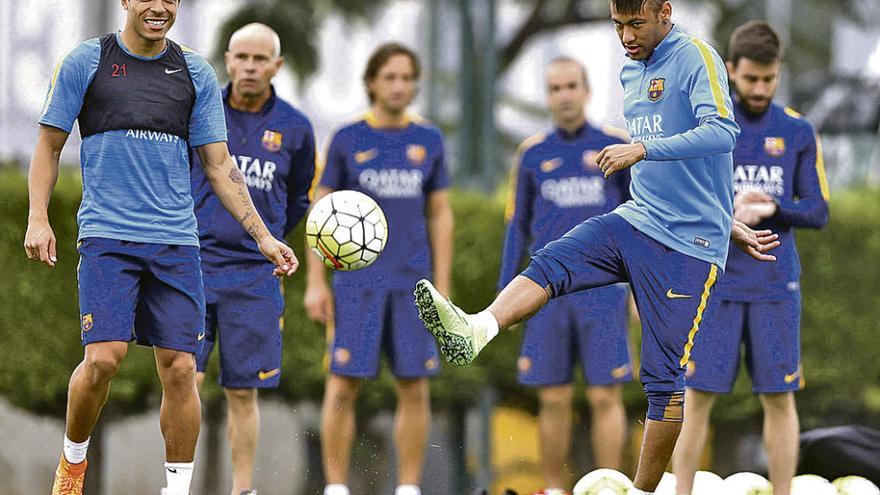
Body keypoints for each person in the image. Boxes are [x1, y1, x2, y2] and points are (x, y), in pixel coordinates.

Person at [412, 1, 780, 493]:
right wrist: (722, 213)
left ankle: (642, 491)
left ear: (665, 12)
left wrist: (646, 154)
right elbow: (683, 175)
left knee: (662, 380)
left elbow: (721, 132)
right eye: (618, 25)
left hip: (689, 248)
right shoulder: (633, 70)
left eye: (636, 24)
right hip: (638, 219)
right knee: (554, 259)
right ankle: (478, 327)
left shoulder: (697, 56)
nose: (626, 36)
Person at [25, 2, 297, 494]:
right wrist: (38, 218)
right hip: (108, 237)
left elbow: (220, 166)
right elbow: (48, 146)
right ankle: (73, 462)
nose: (159, 7)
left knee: (182, 368)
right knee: (104, 359)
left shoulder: (195, 72)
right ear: (126, 0)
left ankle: (177, 490)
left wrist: (263, 236)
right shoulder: (86, 62)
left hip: (175, 242)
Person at [672, 21, 829, 495]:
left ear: (777, 73)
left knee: (779, 398)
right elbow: (679, 206)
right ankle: (679, 491)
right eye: (750, 79)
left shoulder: (798, 130)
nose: (760, 88)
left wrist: (775, 209)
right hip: (715, 286)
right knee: (696, 397)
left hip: (774, 288)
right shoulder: (708, 128)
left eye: (769, 78)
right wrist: (726, 213)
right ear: (732, 72)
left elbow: (818, 210)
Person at [303, 42, 454, 495]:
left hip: (413, 284)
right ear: (371, 82)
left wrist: (441, 285)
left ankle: (408, 487)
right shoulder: (349, 138)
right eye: (390, 76)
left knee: (414, 385)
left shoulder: (428, 140)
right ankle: (335, 487)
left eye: (407, 78)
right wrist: (315, 282)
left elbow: (440, 214)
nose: (399, 86)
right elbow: (321, 209)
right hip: (356, 285)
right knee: (343, 384)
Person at [190, 23, 316, 495]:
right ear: (227, 59)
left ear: (276, 66)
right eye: (241, 57)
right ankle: (176, 483)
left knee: (243, 390)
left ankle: (242, 489)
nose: (248, 67)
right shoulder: (201, 113)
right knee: (186, 378)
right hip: (194, 267)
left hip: (254, 277)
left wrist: (265, 241)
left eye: (259, 59)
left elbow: (299, 201)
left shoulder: (297, 128)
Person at [500, 57, 633, 493]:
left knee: (604, 396)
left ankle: (610, 487)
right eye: (555, 88)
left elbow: (639, 222)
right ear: (548, 96)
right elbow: (516, 227)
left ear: (587, 90)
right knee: (553, 397)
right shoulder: (533, 153)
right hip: (547, 294)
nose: (564, 95)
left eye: (572, 85)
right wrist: (506, 298)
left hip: (604, 291)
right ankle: (555, 488)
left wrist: (638, 290)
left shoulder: (615, 148)